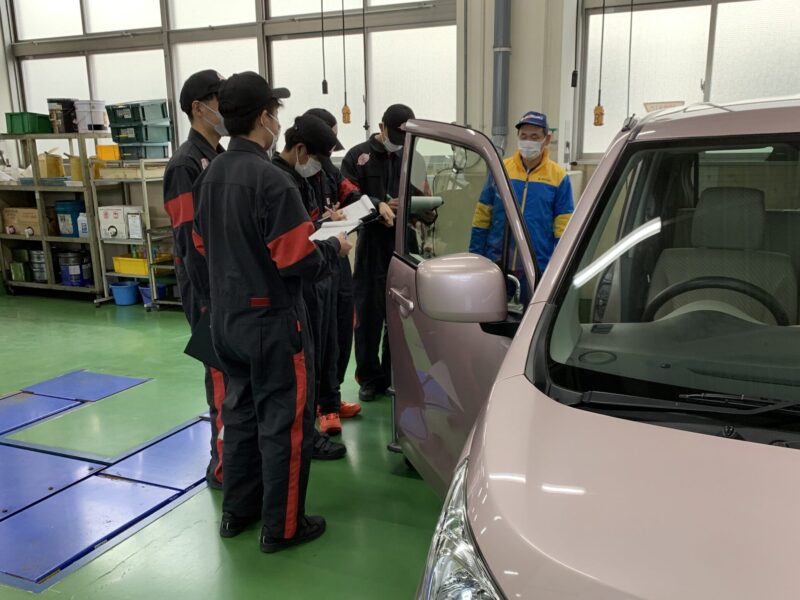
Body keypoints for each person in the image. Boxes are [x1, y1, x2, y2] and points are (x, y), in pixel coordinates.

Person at [192, 71, 350, 553]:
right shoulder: (271, 181)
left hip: (226, 320)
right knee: (285, 423)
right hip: (272, 323)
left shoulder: (210, 173)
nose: (278, 122)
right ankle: (283, 527)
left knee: (239, 417)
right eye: (276, 113)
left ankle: (237, 512)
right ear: (264, 118)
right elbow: (297, 260)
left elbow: (200, 245)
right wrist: (336, 248)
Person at [271, 114, 352, 457]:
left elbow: (303, 227)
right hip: (297, 284)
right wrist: (333, 245)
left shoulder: (295, 179)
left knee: (324, 345)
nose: (320, 168)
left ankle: (318, 417)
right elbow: (293, 245)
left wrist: (324, 223)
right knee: (305, 360)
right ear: (301, 150)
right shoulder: (279, 182)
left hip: (314, 276)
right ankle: (306, 438)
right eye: (318, 159)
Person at [163, 69, 227, 490]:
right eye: (220, 100)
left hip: (229, 287)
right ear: (199, 108)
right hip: (208, 291)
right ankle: (222, 468)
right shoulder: (185, 164)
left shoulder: (221, 156)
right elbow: (190, 240)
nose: (226, 108)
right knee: (221, 379)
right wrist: (212, 298)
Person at [340, 104, 416, 402]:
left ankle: (392, 375)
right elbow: (347, 196)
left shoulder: (409, 155)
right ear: (382, 127)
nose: (399, 142)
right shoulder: (358, 156)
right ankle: (369, 378)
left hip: (403, 243)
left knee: (400, 314)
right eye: (396, 135)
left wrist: (424, 209)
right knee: (368, 314)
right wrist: (377, 204)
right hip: (371, 244)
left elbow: (417, 191)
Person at [469, 111, 574, 298]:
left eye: (534, 137)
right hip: (498, 261)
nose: (528, 142)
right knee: (492, 311)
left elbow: (563, 227)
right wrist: (476, 255)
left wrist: (559, 265)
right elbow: (482, 215)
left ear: (546, 139)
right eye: (524, 136)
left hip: (536, 265)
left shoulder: (558, 177)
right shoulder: (501, 169)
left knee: (531, 313)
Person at [303, 108, 363, 434]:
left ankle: (333, 396)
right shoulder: (289, 177)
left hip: (337, 259)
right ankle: (322, 406)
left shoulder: (328, 169)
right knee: (321, 338)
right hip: (314, 267)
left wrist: (366, 205)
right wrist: (324, 221)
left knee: (342, 330)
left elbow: (350, 192)